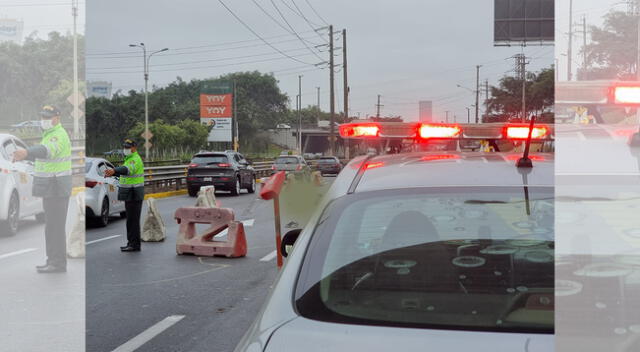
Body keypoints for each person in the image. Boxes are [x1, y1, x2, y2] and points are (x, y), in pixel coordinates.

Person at [13, 105, 72, 273]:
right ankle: (52, 260)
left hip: (57, 187)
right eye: (43, 117)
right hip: (50, 186)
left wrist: (26, 152)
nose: (45, 120)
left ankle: (58, 263)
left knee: (56, 226)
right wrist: (25, 155)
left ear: (57, 118)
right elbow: (41, 153)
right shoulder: (48, 134)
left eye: (48, 117)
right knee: (50, 226)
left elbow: (47, 151)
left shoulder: (58, 135)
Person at [105, 139, 145, 252]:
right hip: (130, 193)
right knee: (130, 220)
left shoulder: (135, 159)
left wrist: (114, 170)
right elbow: (124, 171)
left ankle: (135, 245)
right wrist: (113, 172)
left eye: (128, 147)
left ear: (134, 148)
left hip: (134, 193)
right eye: (125, 147)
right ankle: (131, 243)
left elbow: (128, 170)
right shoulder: (128, 159)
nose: (126, 149)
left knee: (133, 220)